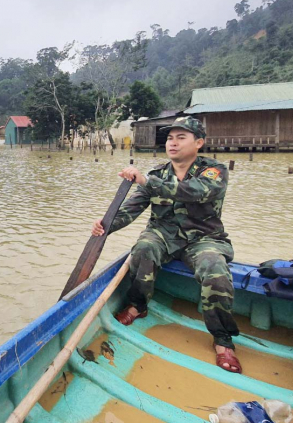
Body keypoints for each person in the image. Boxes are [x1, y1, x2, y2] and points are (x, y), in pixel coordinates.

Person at [91, 116, 242, 373]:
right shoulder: (157, 174)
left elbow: (191, 191)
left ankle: (223, 340)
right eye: (170, 138)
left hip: (203, 237)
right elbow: (132, 208)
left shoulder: (214, 172)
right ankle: (138, 305)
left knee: (214, 268)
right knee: (143, 248)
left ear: (199, 143)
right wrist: (106, 224)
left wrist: (147, 181)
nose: (173, 143)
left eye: (181, 137)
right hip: (163, 234)